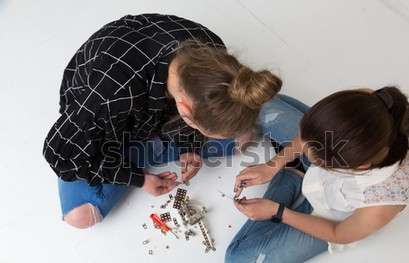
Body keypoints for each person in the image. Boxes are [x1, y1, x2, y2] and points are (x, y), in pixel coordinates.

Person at [42, 13, 282, 229]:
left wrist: (190, 145)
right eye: (200, 129)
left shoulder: (212, 49)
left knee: (243, 139)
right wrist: (138, 178)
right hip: (102, 125)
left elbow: (189, 106)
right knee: (81, 216)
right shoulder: (111, 94)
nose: (201, 134)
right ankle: (141, 155)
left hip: (149, 110)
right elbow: (58, 154)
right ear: (185, 110)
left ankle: (153, 149)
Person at [226, 87, 409, 263]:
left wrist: (278, 212)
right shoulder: (369, 102)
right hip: (330, 156)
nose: (308, 151)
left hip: (328, 219)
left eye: (318, 161)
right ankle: (294, 172)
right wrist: (273, 165)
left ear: (358, 166)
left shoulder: (383, 203)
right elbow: (306, 136)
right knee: (260, 103)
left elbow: (339, 233)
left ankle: (292, 177)